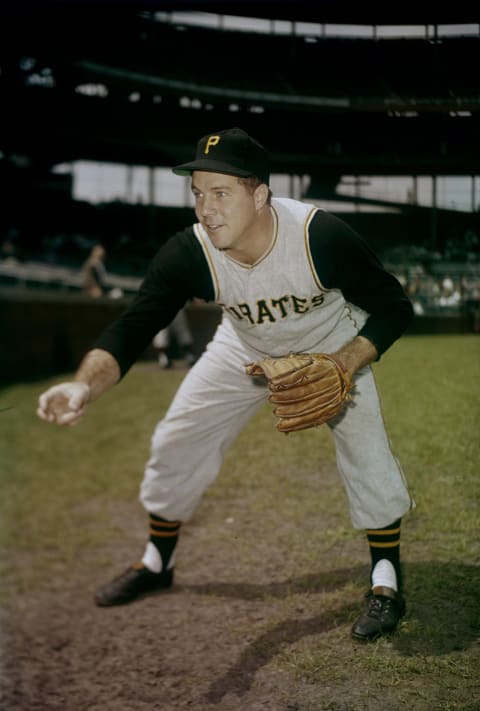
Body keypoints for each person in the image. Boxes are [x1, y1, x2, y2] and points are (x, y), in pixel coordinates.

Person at [37, 127, 415, 642]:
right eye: (197, 194)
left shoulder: (318, 236)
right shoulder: (190, 252)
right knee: (177, 438)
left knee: (367, 450)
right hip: (244, 346)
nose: (205, 208)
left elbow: (395, 307)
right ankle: (156, 562)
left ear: (260, 195)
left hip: (329, 345)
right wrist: (83, 387)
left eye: (221, 193)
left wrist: (346, 363)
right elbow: (132, 327)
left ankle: (385, 580)